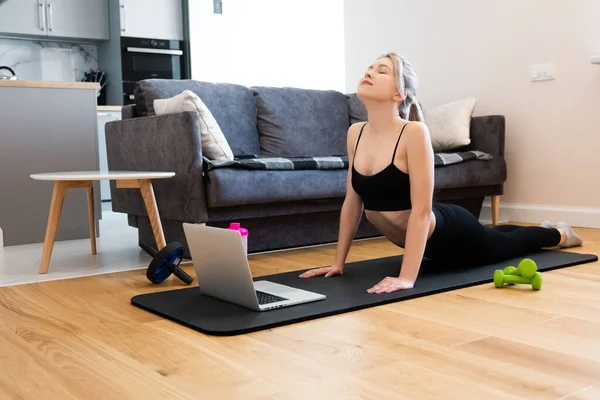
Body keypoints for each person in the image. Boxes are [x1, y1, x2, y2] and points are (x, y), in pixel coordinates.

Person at [299, 52, 583, 294]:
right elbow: (353, 201)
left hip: (451, 233)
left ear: (399, 93)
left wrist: (407, 278)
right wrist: (339, 263)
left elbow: (421, 212)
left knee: (507, 244)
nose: (370, 72)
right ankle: (543, 229)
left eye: (381, 70)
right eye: (370, 68)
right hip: (428, 241)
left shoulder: (413, 133)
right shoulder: (355, 133)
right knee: (497, 235)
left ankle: (559, 234)